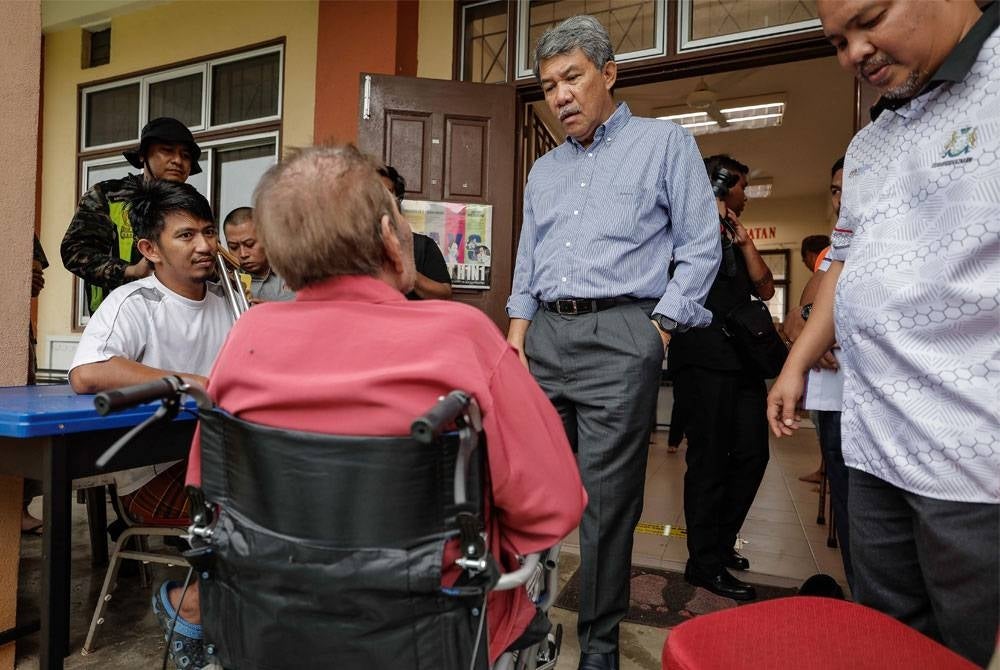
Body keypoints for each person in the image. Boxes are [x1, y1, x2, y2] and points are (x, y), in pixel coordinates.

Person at [167, 144, 586, 666]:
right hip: (437, 637)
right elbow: (554, 507)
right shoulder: (463, 337)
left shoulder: (245, 338)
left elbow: (210, 492)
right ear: (391, 239)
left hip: (276, 629)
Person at [768, 1, 998, 664]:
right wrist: (795, 368)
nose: (855, 53)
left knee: (967, 648)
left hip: (974, 463)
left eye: (869, 19)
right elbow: (845, 262)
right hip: (874, 445)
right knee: (889, 639)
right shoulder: (870, 142)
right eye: (839, 40)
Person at [505, 15, 720, 670]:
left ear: (608, 74)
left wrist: (655, 330)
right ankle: (524, 626)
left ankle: (599, 649)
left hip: (621, 333)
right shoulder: (543, 171)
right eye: (548, 85)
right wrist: (516, 336)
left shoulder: (663, 144)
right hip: (543, 338)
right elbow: (527, 258)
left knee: (605, 509)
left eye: (572, 77)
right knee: (526, 497)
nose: (561, 94)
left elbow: (701, 246)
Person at [69, 180, 231, 526]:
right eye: (186, 236)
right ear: (150, 249)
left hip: (219, 457)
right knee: (260, 514)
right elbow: (87, 373)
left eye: (209, 232)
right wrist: (189, 382)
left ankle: (200, 583)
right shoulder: (133, 302)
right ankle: (189, 584)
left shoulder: (229, 302)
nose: (205, 245)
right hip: (152, 472)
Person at [668, 155, 774, 602]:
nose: (746, 195)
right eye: (741, 187)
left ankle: (719, 540)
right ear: (720, 186)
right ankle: (703, 563)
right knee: (709, 462)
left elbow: (766, 288)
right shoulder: (681, 223)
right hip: (702, 357)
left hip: (743, 360)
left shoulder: (736, 232)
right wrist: (702, 218)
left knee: (753, 454)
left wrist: (746, 243)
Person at [61, 117, 202, 314]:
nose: (178, 160)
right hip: (116, 320)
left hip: (181, 319)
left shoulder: (195, 204)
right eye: (167, 150)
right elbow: (74, 252)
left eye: (185, 155)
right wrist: (131, 271)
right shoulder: (108, 195)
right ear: (143, 155)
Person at [377, 164, 452, 300]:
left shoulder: (423, 246)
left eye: (387, 195)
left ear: (397, 200)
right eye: (374, 194)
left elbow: (444, 294)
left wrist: (407, 271)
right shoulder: (346, 245)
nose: (380, 202)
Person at [795, 231, 833, 484]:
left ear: (810, 255)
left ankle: (825, 472)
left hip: (831, 364)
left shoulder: (827, 259)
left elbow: (804, 312)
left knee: (827, 426)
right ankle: (824, 471)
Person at [221, 207, 294, 302]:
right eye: (234, 247)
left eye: (250, 244)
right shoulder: (227, 283)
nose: (243, 254)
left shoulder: (295, 275)